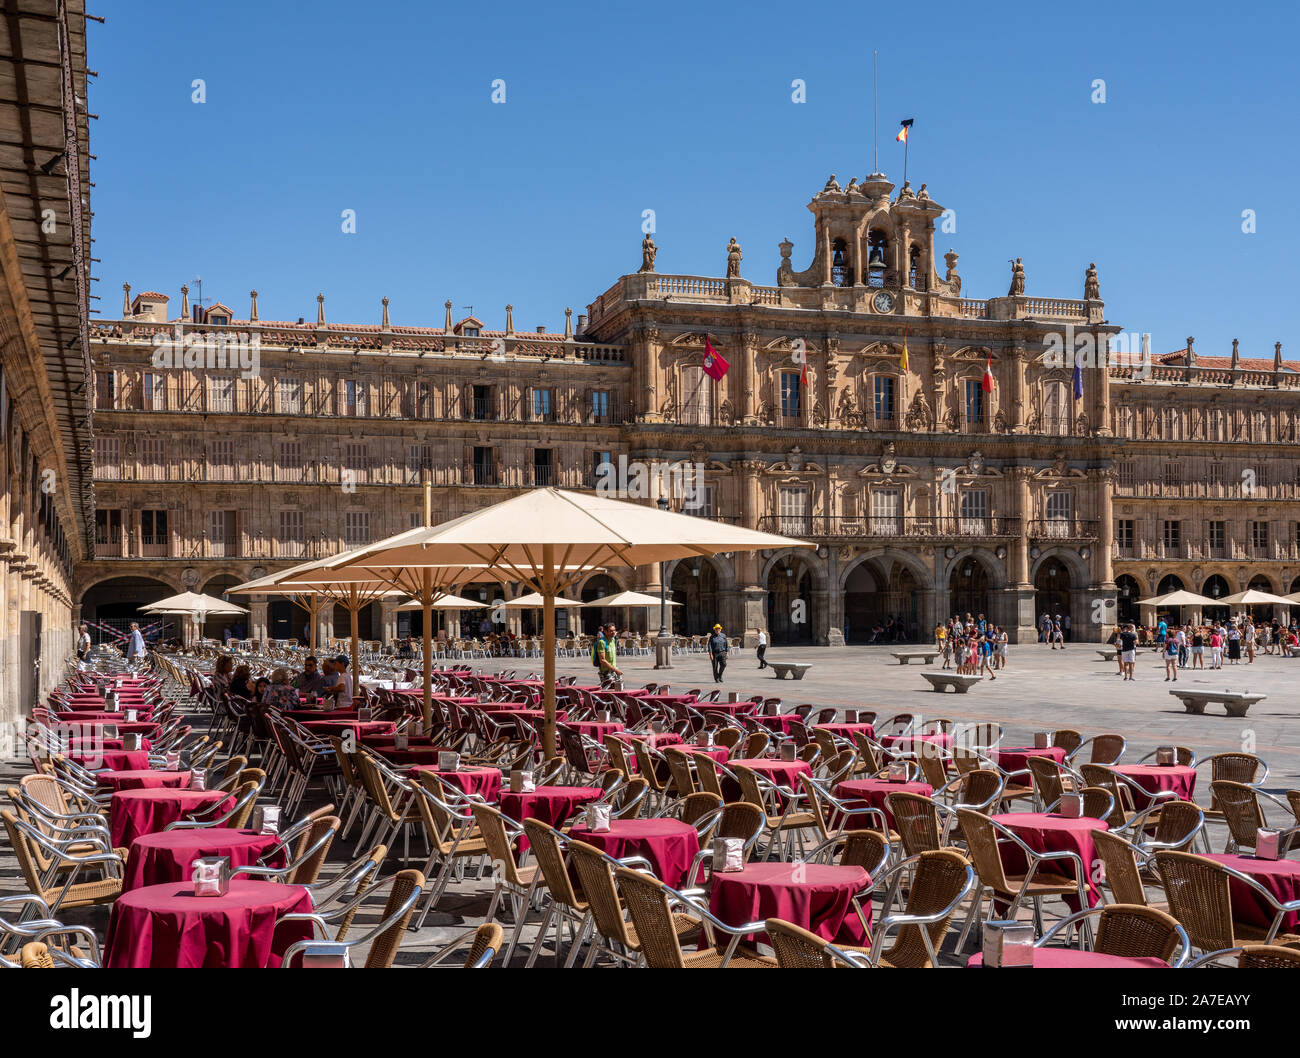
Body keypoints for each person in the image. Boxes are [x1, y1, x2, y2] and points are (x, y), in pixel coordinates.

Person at [598, 623, 623, 688]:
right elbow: (602, 660)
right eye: (611, 631)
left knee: (619, 689)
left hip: (614, 671)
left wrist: (615, 670)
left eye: (614, 630)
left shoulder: (613, 640)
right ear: (605, 632)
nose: (613, 632)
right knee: (608, 692)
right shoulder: (602, 642)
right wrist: (615, 670)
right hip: (606, 672)